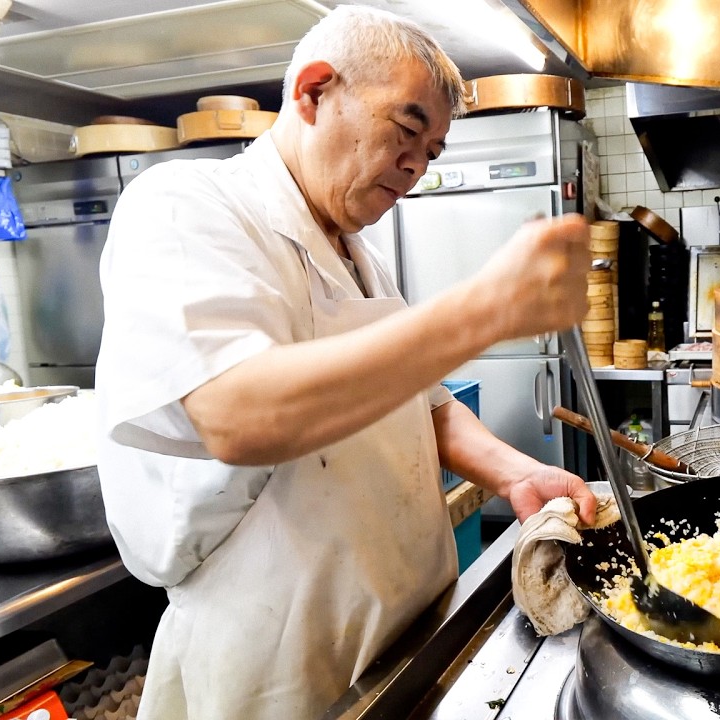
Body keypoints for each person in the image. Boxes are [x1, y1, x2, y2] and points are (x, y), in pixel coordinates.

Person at [94, 7, 597, 718]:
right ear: (313, 91)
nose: (417, 167)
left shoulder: (359, 252)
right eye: (405, 130)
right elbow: (240, 415)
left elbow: (423, 405)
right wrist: (486, 308)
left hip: (405, 640)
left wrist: (517, 472)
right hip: (283, 666)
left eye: (433, 151)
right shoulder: (186, 208)